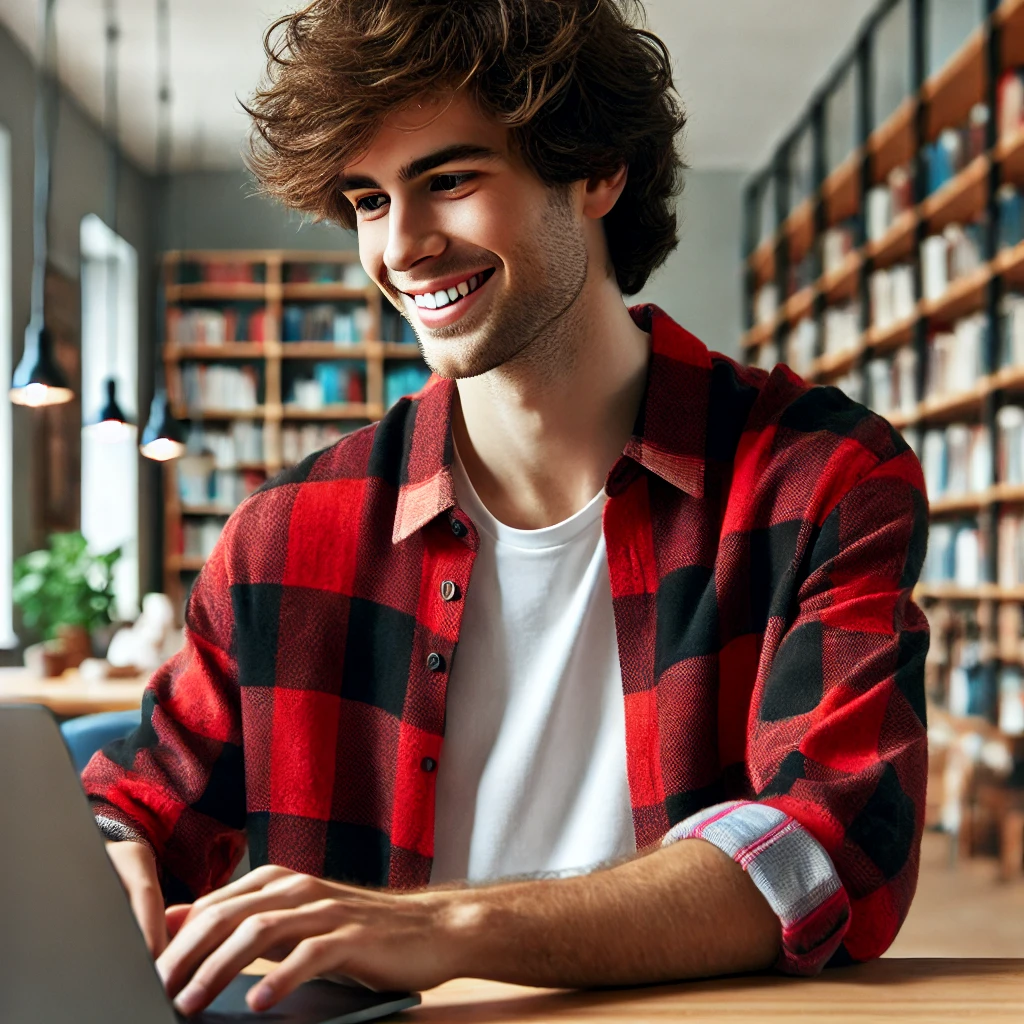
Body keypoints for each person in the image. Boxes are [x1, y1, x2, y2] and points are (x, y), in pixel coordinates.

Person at [83, 0, 929, 1015]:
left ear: (596, 171)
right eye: (366, 199)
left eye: (448, 179)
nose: (401, 247)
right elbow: (134, 800)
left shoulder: (818, 475)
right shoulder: (284, 535)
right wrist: (109, 857)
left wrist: (441, 927)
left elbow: (826, 846)